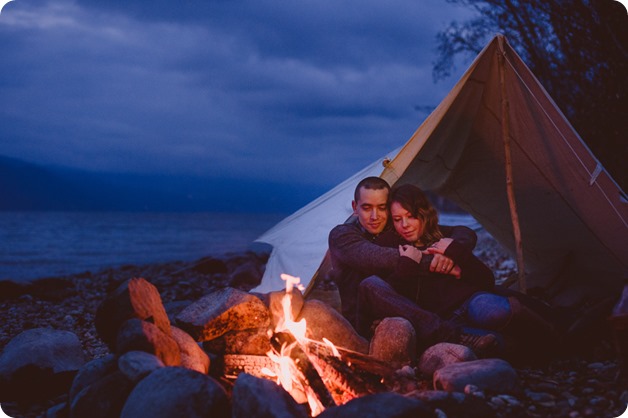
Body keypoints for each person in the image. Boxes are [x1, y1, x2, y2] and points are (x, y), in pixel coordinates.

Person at [362, 183, 562, 358]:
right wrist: (409, 264)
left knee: (494, 311)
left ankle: (558, 335)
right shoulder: (391, 248)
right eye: (397, 219)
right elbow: (393, 296)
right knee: (500, 344)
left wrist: (455, 255)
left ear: (423, 213)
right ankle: (546, 350)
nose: (405, 225)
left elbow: (486, 280)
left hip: (471, 302)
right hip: (447, 323)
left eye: (411, 216)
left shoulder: (443, 239)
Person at [328, 177, 496, 353]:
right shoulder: (342, 235)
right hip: (365, 322)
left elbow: (461, 231)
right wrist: (437, 261)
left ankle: (466, 337)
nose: (375, 217)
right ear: (355, 208)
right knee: (371, 284)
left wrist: (452, 251)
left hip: (407, 315)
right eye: (367, 208)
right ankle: (454, 337)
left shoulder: (394, 226)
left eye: (382, 208)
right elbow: (376, 257)